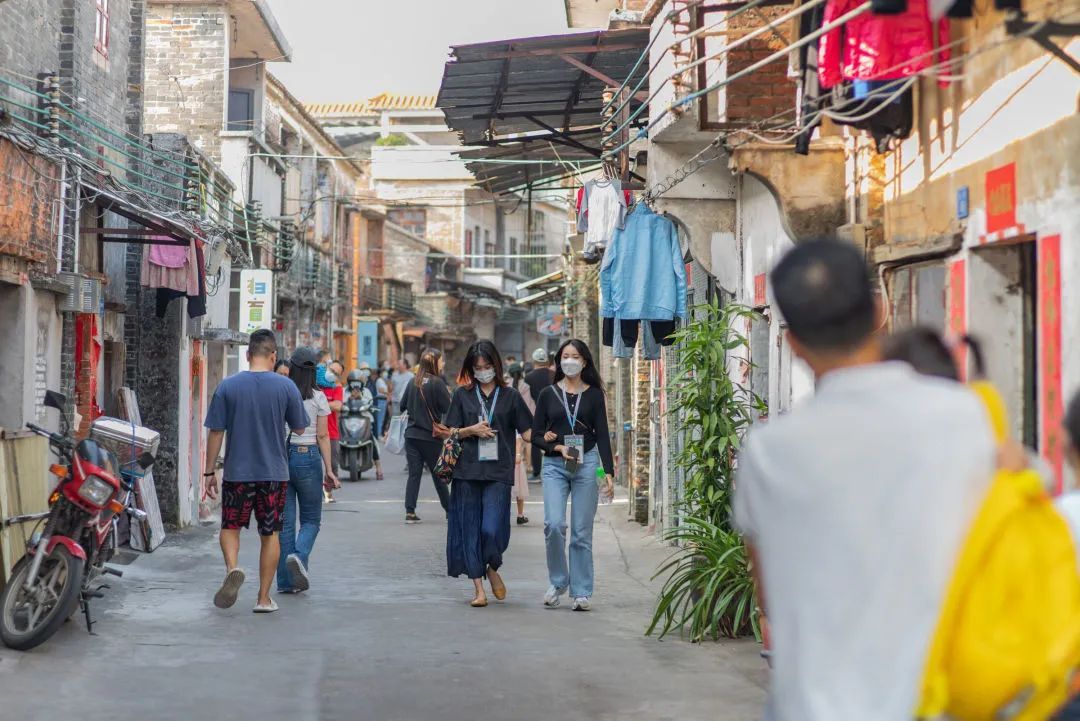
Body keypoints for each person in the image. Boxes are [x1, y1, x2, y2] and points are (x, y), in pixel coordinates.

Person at [733, 239, 996, 721]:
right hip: (939, 700)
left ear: (792, 343)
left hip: (813, 704)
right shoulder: (964, 417)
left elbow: (767, 592)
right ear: (878, 310)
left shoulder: (768, 452)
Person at [203, 329, 309, 614]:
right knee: (270, 533)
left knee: (230, 527)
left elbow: (215, 431)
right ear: (273, 356)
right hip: (274, 473)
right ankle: (263, 599)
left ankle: (232, 568)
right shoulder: (286, 387)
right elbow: (300, 427)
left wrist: (208, 472)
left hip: (238, 472)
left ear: (248, 354)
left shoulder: (228, 386)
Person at [444, 340, 533, 607]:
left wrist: (555, 441)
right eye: (477, 367)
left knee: (492, 528)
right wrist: (471, 430)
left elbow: (528, 431)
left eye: (487, 366)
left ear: (496, 365)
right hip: (467, 471)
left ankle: (492, 565)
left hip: (498, 471)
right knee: (469, 529)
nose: (483, 371)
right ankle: (478, 589)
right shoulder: (462, 395)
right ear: (471, 368)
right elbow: (450, 431)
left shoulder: (511, 396)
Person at [531, 339, 614, 611]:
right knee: (554, 525)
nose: (569, 361)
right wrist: (554, 444)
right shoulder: (547, 394)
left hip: (586, 463)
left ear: (584, 361)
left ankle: (581, 591)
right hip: (555, 465)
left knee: (581, 531)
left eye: (574, 356)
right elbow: (536, 435)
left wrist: (609, 472)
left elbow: (602, 433)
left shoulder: (593, 395)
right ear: (558, 361)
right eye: (565, 356)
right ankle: (558, 581)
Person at [278, 347, 339, 594]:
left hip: (282, 458)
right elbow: (323, 435)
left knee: (285, 525)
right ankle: (299, 558)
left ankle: (284, 583)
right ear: (314, 371)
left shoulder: (281, 392)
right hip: (308, 457)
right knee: (312, 519)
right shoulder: (318, 397)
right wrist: (330, 469)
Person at [399, 349, 452, 523]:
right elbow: (447, 408)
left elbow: (402, 405)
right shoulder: (438, 383)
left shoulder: (413, 381)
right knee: (439, 474)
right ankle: (449, 510)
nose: (442, 364)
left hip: (412, 436)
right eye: (441, 361)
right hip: (431, 437)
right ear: (434, 363)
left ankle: (410, 511)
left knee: (414, 474)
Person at [524, 348, 555, 478]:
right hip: (554, 411)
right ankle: (556, 467)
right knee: (555, 437)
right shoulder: (554, 374)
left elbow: (527, 398)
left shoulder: (528, 377)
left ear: (534, 361)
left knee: (536, 440)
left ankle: (536, 472)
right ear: (546, 361)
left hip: (536, 412)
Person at [507, 361, 532, 524]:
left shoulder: (505, 388)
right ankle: (520, 514)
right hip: (521, 431)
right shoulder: (526, 387)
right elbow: (529, 405)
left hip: (506, 438)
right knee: (519, 487)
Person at [319, 358, 345, 503]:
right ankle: (316, 491)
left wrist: (320, 404)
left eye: (336, 373)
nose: (332, 373)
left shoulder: (337, 386)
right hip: (314, 432)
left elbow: (337, 406)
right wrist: (329, 404)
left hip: (331, 432)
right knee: (314, 464)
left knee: (333, 464)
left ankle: (328, 491)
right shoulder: (316, 384)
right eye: (331, 369)